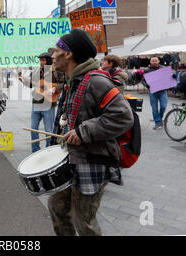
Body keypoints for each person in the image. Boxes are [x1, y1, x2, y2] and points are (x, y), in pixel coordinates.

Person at [48, 29, 134, 236]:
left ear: (68, 54)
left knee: (84, 222)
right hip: (72, 158)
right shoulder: (73, 80)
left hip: (92, 160)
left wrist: (84, 131)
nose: (52, 55)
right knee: (57, 207)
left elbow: (124, 116)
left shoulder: (96, 81)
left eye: (56, 50)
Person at [18, 52, 62, 153]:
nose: (41, 62)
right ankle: (35, 151)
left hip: (48, 103)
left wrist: (55, 88)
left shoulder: (56, 70)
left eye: (43, 60)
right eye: (40, 60)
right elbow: (31, 84)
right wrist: (23, 80)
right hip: (36, 102)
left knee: (48, 131)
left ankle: (48, 151)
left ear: (48, 60)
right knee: (33, 129)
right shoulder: (36, 71)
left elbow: (63, 83)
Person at [141, 56, 168, 130]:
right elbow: (143, 80)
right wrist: (147, 85)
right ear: (150, 62)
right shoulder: (147, 70)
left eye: (156, 60)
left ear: (159, 61)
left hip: (163, 91)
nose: (154, 62)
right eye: (152, 61)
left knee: (163, 106)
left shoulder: (163, 68)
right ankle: (157, 123)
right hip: (153, 91)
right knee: (154, 108)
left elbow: (168, 77)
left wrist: (172, 77)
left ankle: (159, 118)